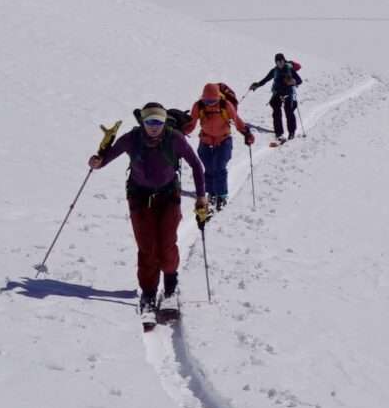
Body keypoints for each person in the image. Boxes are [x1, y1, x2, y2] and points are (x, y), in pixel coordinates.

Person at [90, 102, 205, 325]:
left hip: (168, 197)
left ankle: (170, 290)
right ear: (143, 122)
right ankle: (149, 295)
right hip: (139, 198)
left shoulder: (175, 139)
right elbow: (105, 159)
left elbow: (197, 166)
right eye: (150, 121)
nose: (154, 126)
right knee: (147, 248)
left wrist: (201, 197)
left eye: (158, 122)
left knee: (167, 244)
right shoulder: (131, 139)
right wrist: (96, 162)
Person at [188, 81, 255, 210]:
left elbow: (237, 120)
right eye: (207, 101)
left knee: (219, 167)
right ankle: (211, 193)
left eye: (212, 101)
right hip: (205, 140)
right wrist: (179, 133)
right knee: (208, 168)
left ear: (218, 98)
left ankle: (222, 195)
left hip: (223, 139)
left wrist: (246, 133)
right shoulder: (199, 106)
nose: (209, 104)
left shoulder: (225, 105)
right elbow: (191, 124)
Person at [250, 53, 302, 141]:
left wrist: (293, 82)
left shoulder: (289, 69)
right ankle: (279, 133)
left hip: (288, 93)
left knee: (289, 112)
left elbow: (299, 80)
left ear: (284, 60)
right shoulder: (274, 70)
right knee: (276, 111)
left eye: (281, 61)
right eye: (277, 62)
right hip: (277, 93)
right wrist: (257, 85)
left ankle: (291, 132)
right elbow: (266, 79)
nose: (279, 63)